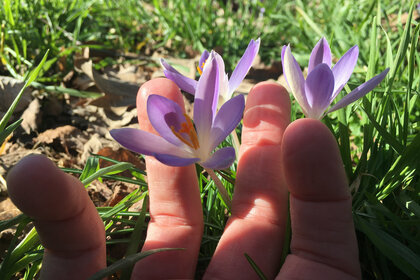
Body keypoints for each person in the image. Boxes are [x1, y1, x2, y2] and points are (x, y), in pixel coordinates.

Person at [6, 79, 361, 279]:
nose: (182, 126)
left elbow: (226, 138)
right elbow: (138, 139)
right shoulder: (184, 148)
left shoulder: (219, 143)